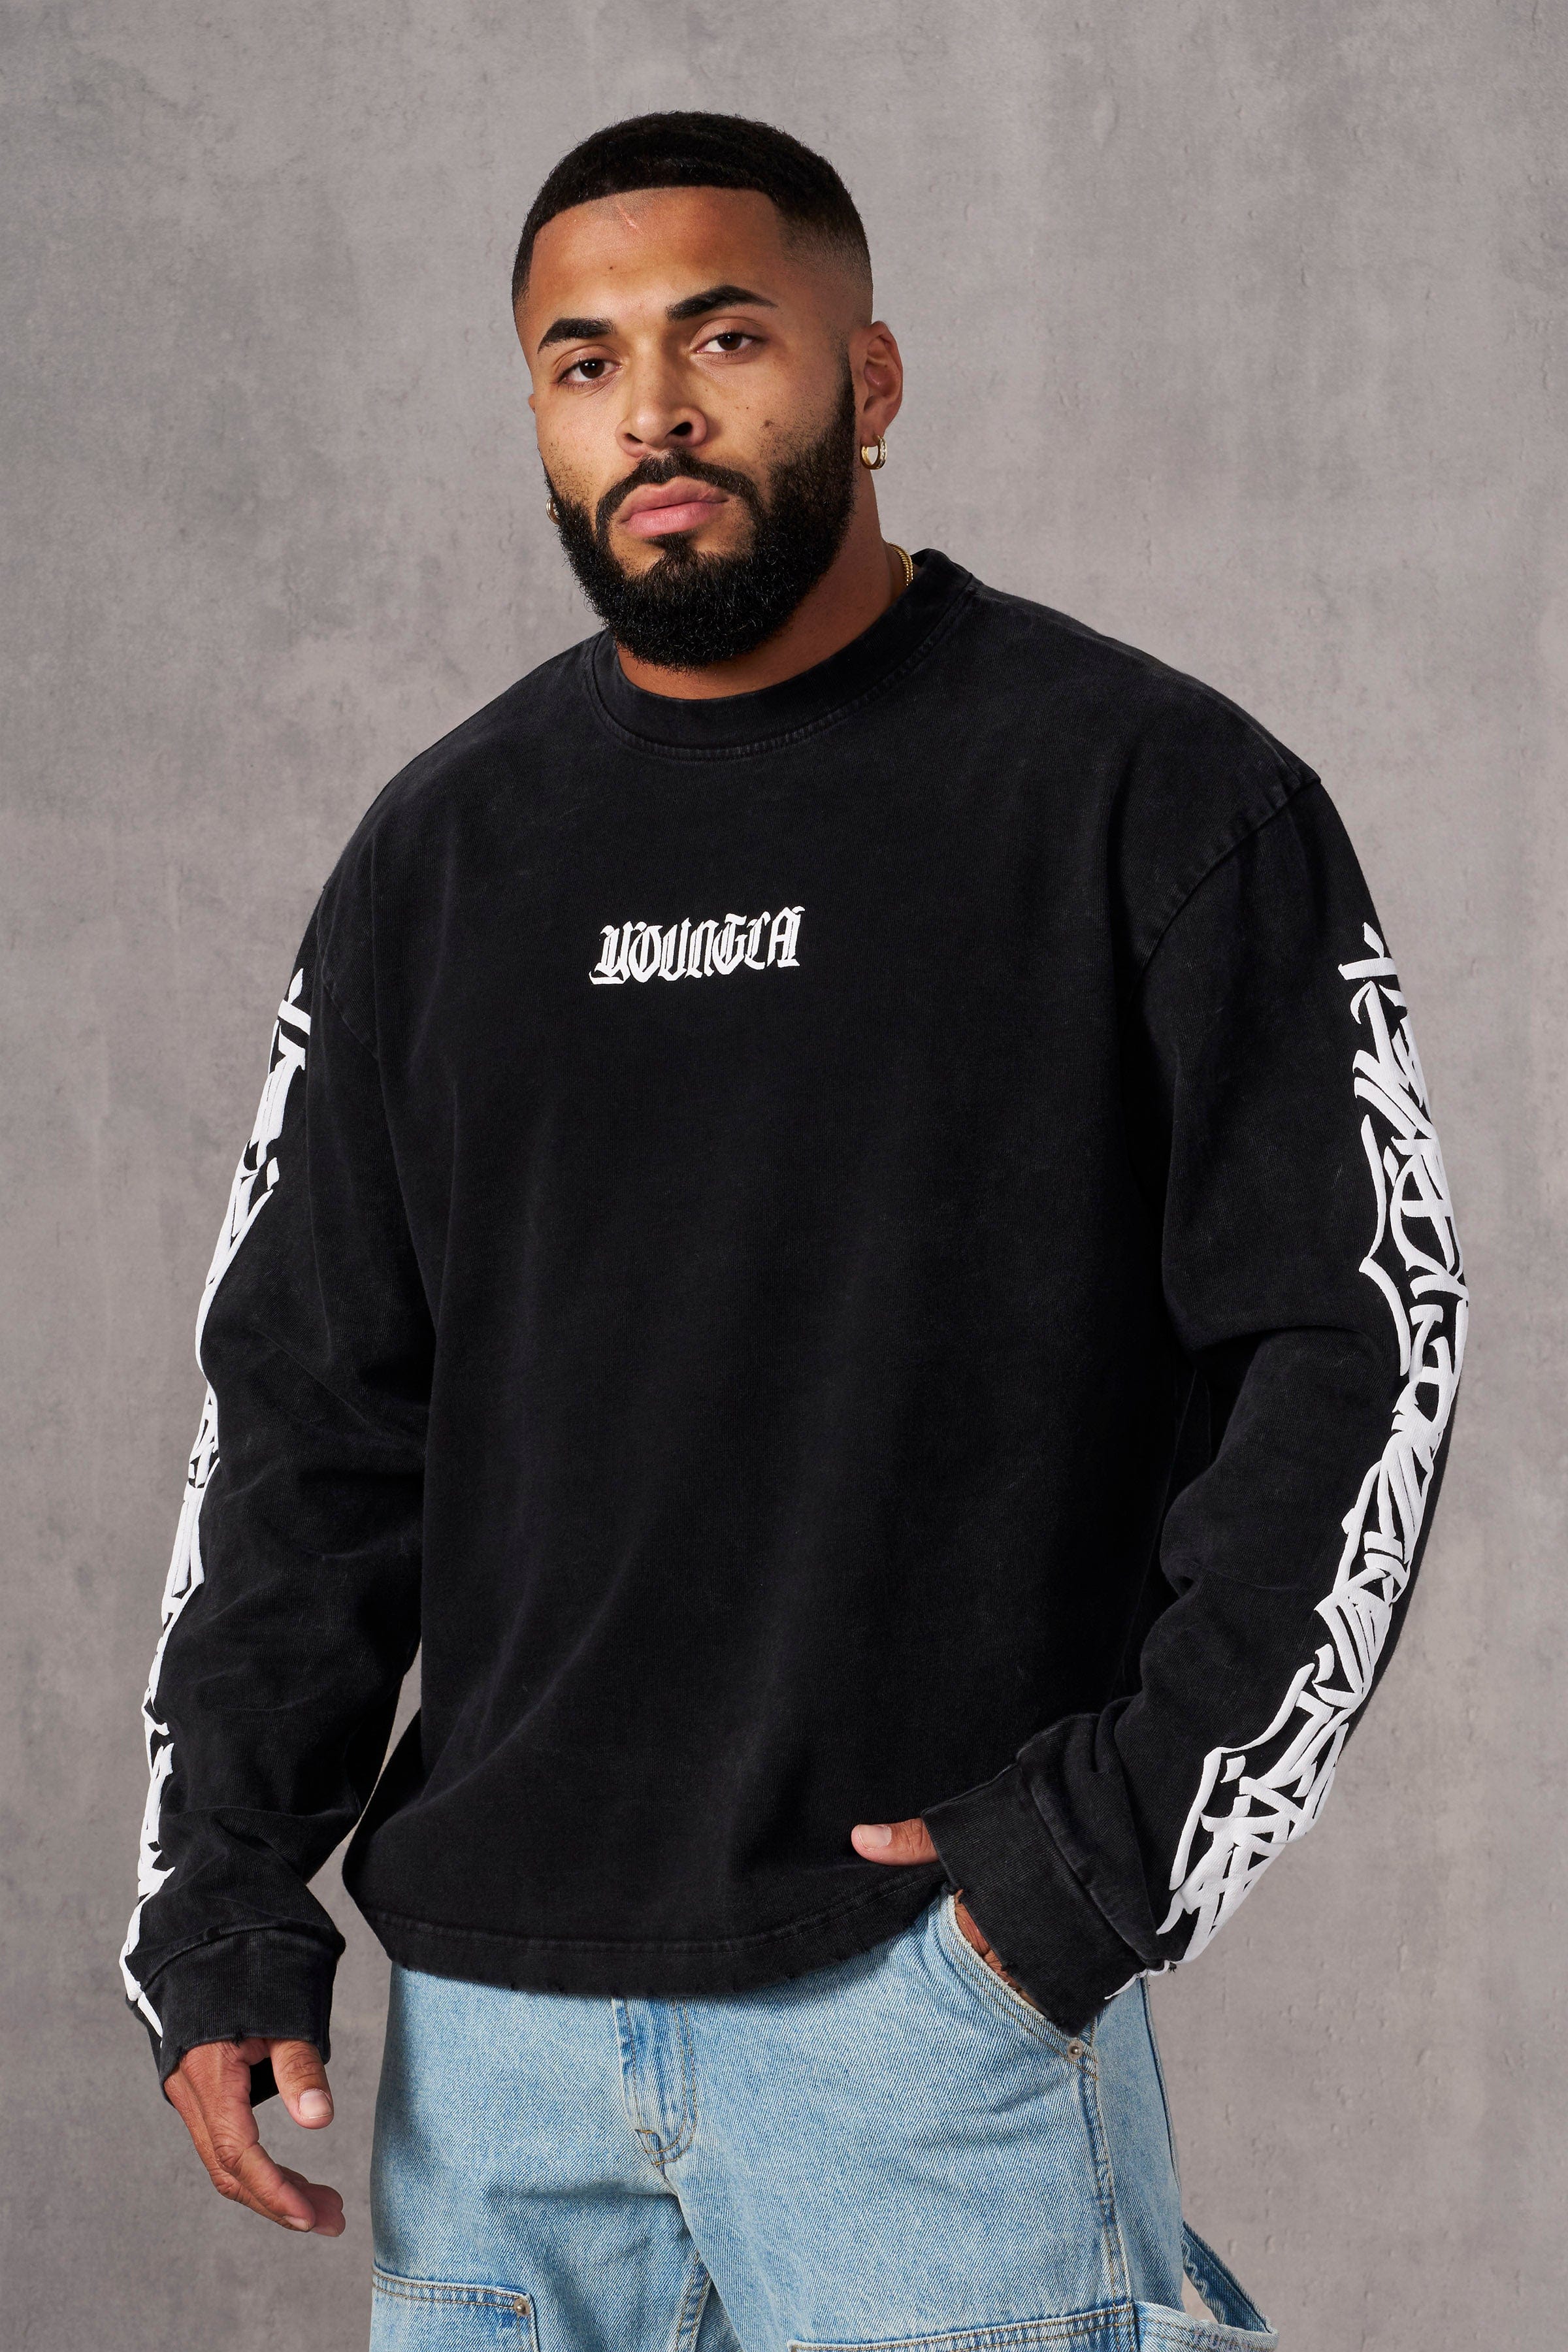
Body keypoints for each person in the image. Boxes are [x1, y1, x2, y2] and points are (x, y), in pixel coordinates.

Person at [122, 111, 1466, 2352]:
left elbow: (1359, 1347)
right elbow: (304, 1419)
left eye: (724, 338)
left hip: (921, 2023)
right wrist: (222, 1893)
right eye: (584, 363)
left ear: (871, 376)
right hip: (496, 2066)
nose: (651, 410)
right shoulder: (435, 864)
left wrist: (1105, 1852)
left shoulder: (1150, 795)